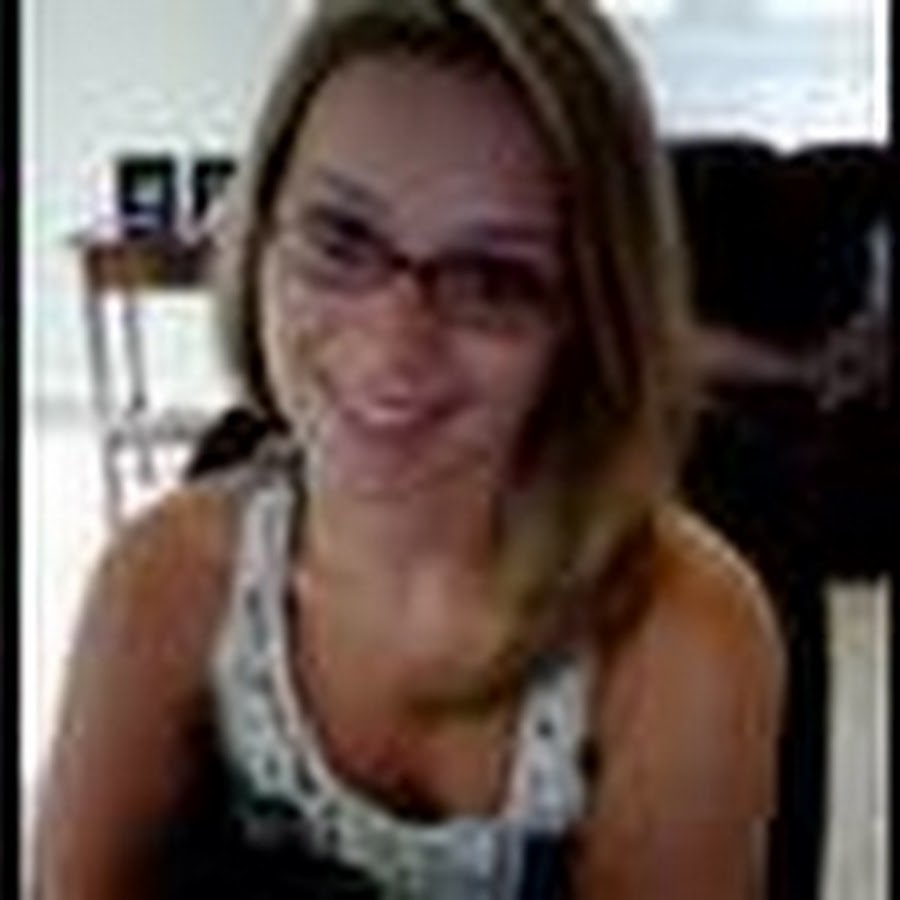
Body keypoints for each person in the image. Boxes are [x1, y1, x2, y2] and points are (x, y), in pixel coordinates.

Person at [33, 1, 785, 897]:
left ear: (591, 314)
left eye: (493, 279)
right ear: (258, 231)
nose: (394, 347)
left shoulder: (682, 633)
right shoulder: (161, 582)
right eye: (342, 238)